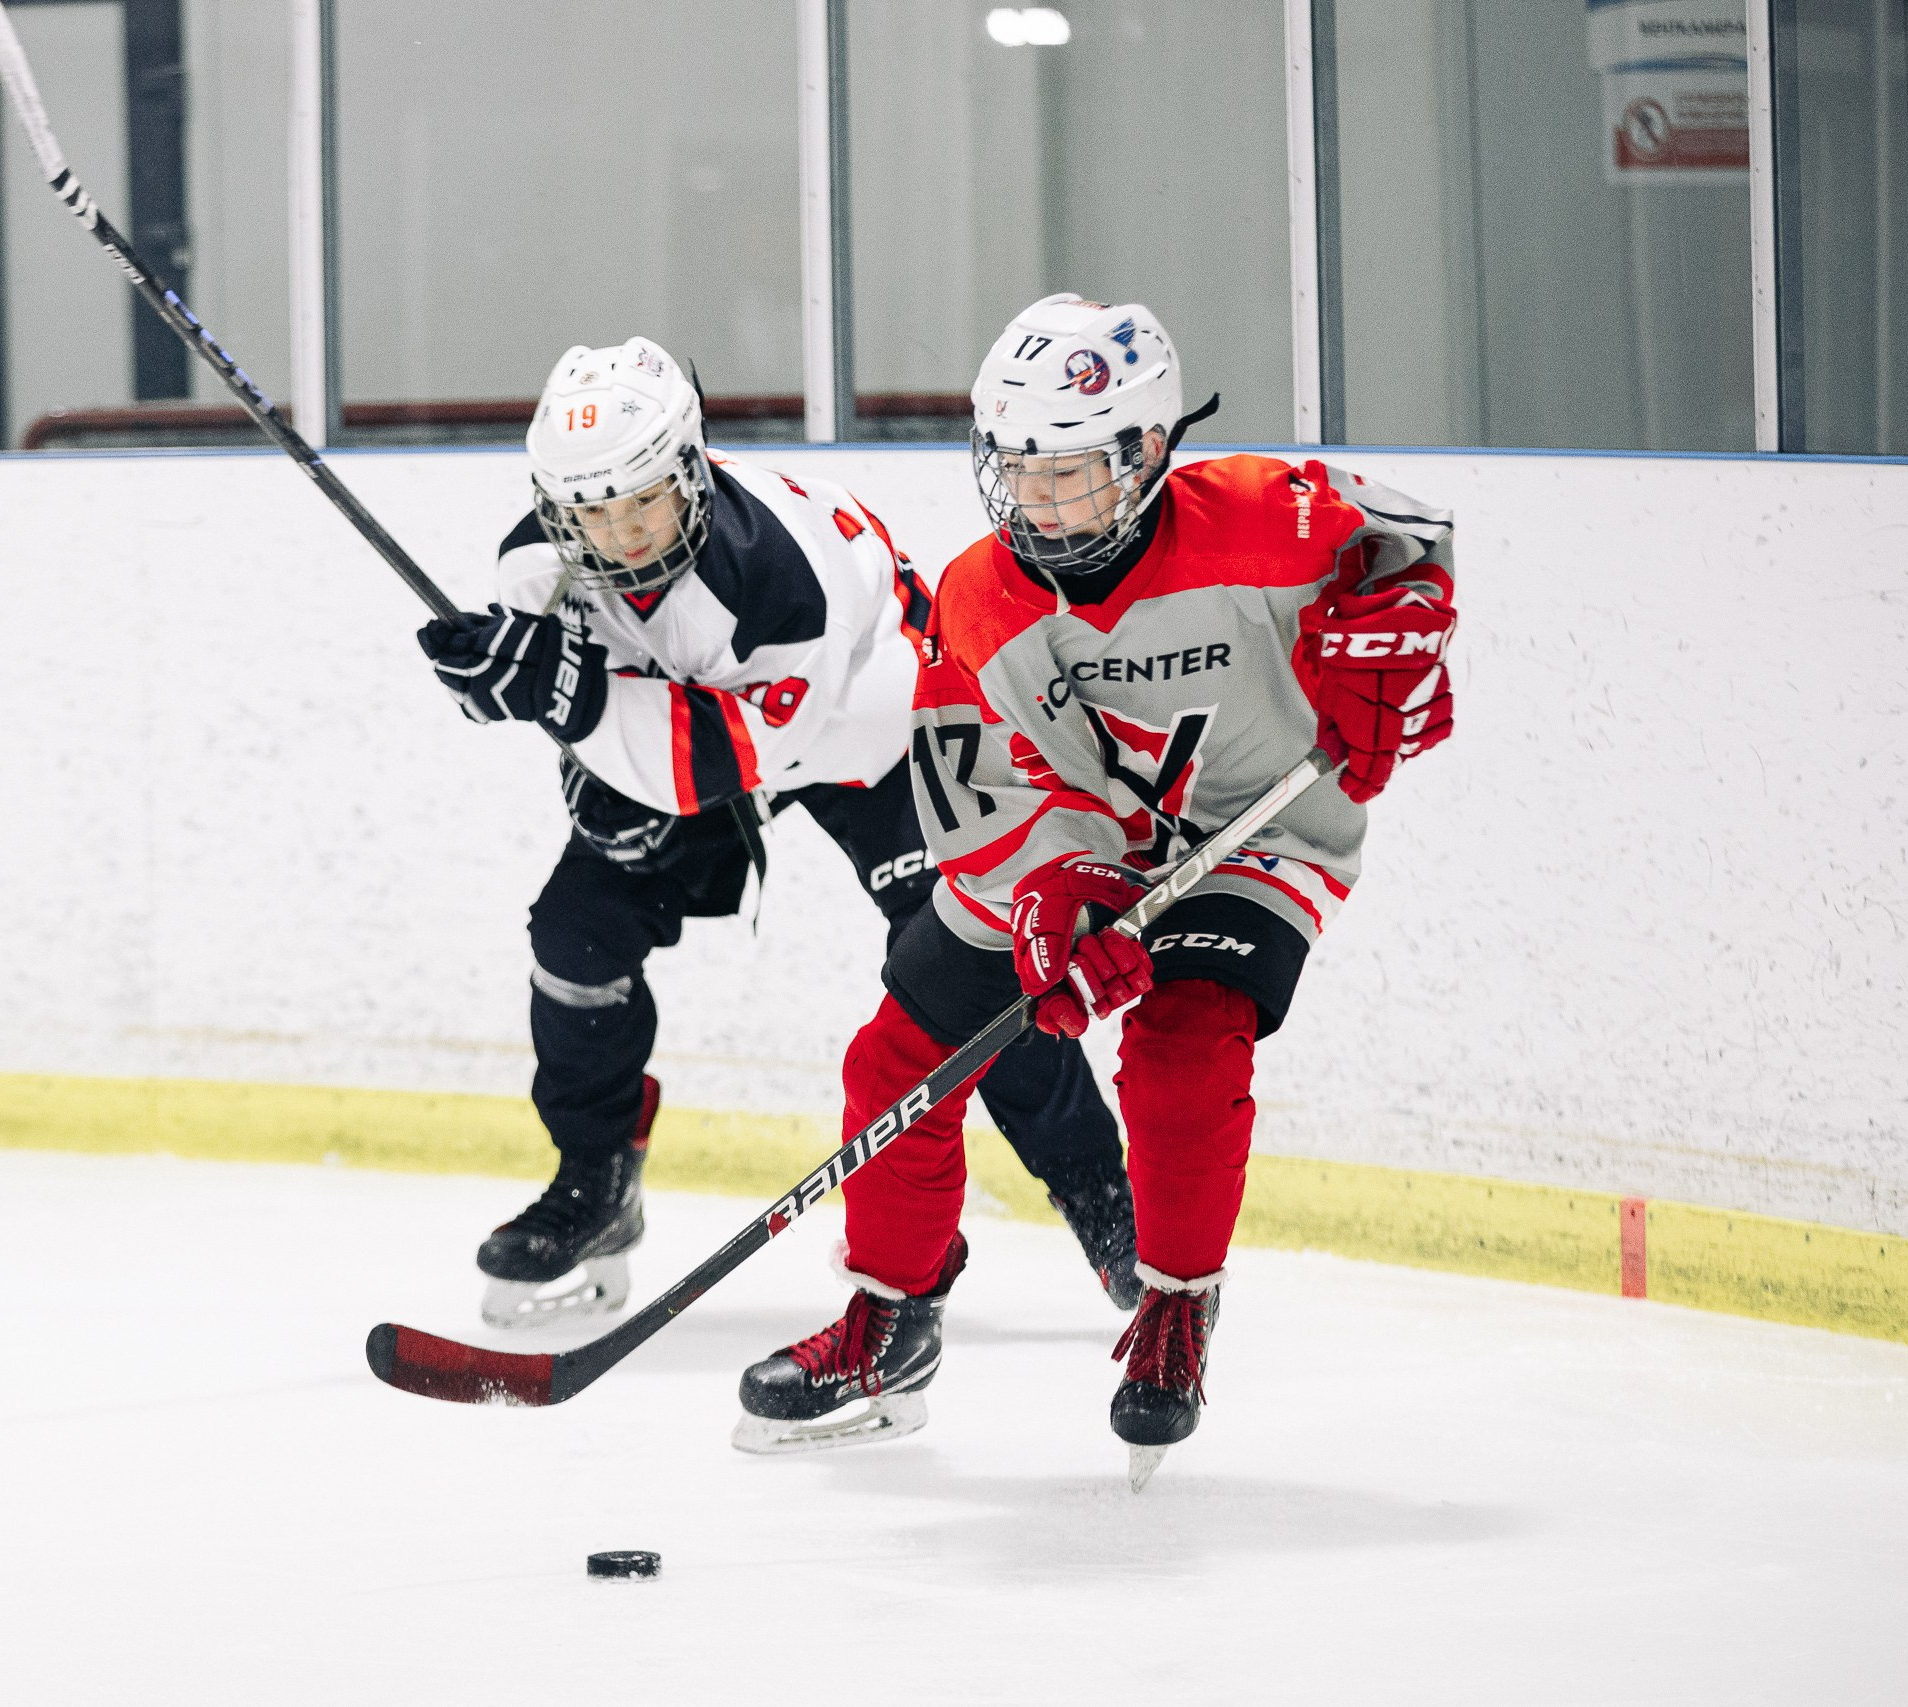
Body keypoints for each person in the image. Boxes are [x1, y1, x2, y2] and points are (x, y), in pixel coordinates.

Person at [733, 296, 1458, 1478]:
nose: (1040, 503)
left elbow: (1410, 536)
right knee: (898, 1055)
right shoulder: (977, 597)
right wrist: (1053, 897)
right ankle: (888, 1326)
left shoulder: (1263, 518)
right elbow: (979, 799)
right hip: (1070, 843)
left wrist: (1403, 624)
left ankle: (1173, 1306)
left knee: (1185, 1041)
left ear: (1151, 452)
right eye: (1019, 471)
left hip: (1255, 831)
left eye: (1072, 474)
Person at [417, 336, 1137, 1331]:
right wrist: (499, 678)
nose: (620, 534)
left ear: (692, 470)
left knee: (965, 967)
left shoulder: (779, 576)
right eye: (591, 511)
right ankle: (596, 1184)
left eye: (643, 502)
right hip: (697, 729)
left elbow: (716, 764)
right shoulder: (542, 563)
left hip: (877, 728)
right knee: (573, 935)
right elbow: (568, 689)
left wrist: (569, 699)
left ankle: (1111, 1210)